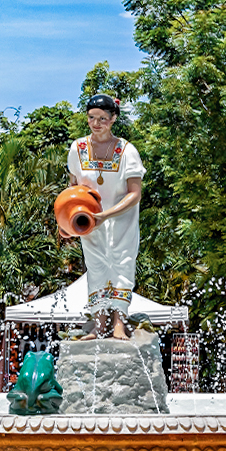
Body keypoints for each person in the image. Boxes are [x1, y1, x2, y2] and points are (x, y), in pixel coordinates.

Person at [66, 94, 146, 341]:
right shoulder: (77, 148)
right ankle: (99, 326)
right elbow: (72, 188)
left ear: (113, 119)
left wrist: (107, 215)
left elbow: (135, 194)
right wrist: (66, 221)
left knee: (122, 266)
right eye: (92, 118)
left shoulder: (126, 150)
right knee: (97, 268)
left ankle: (119, 324)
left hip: (121, 221)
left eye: (102, 118)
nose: (96, 123)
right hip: (90, 223)